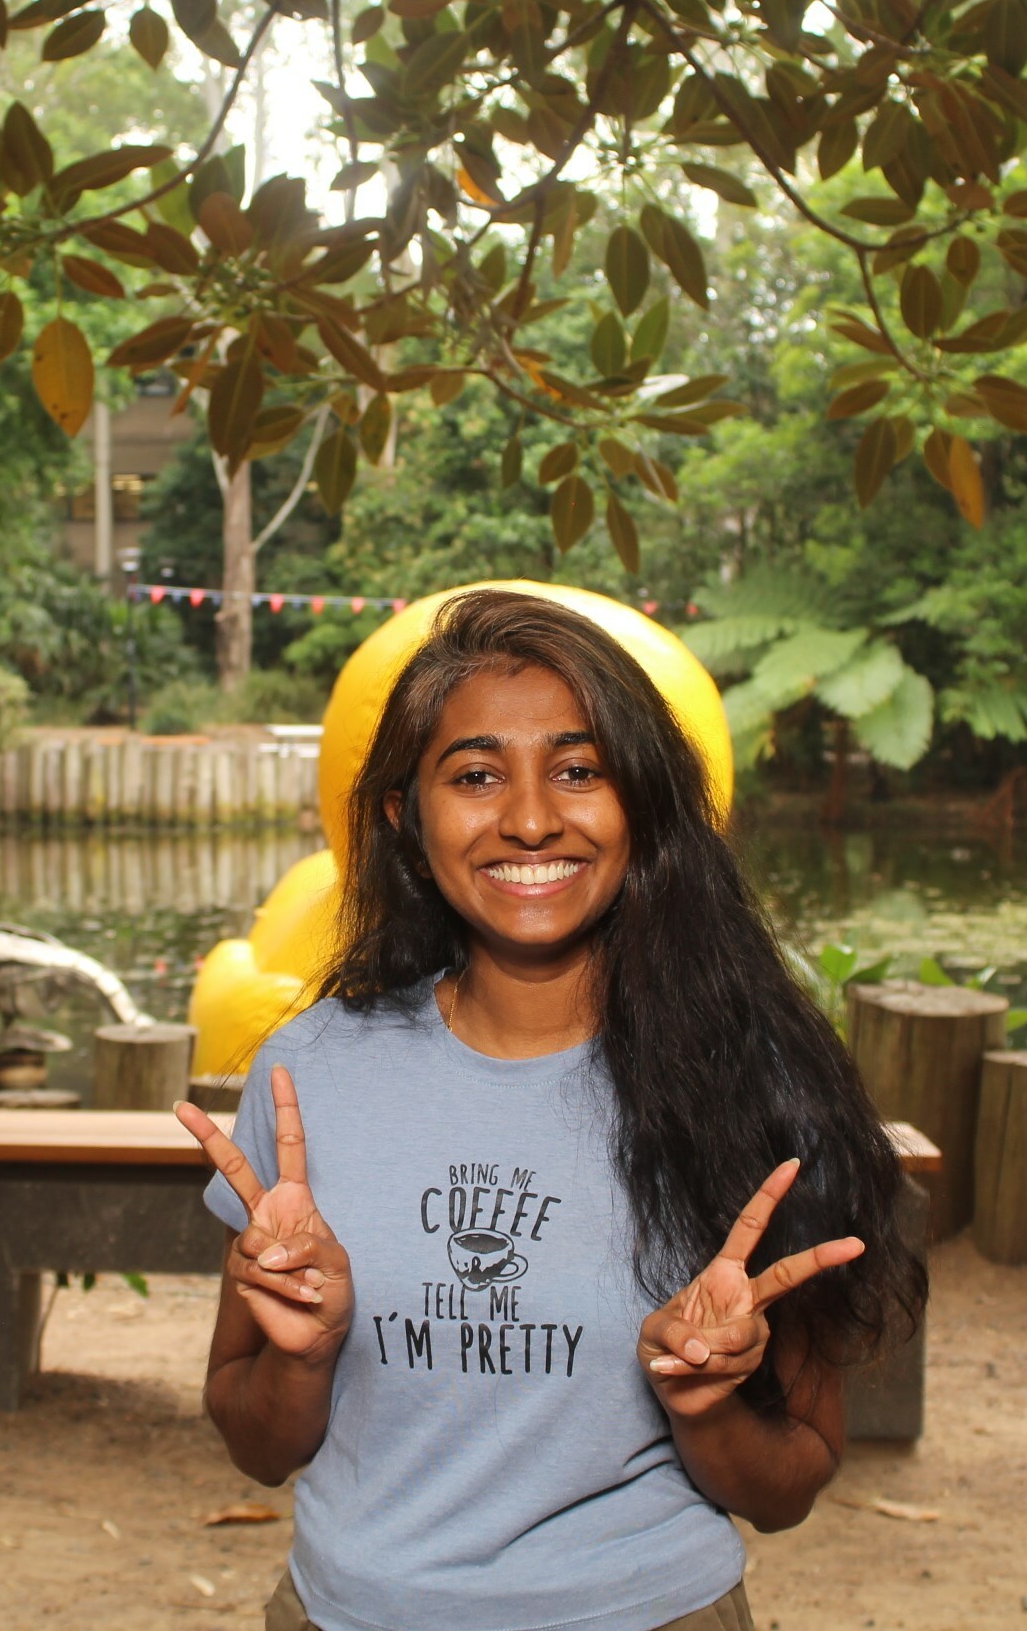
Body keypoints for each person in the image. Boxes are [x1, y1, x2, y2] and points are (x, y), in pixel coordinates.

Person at [177, 590, 926, 1631]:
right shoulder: (312, 1074)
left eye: (580, 771)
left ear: (644, 805)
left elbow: (786, 1489)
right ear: (404, 817)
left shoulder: (752, 1084)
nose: (531, 819)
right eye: (476, 776)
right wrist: (302, 1355)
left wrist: (706, 1405)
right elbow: (257, 1445)